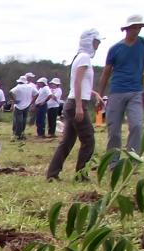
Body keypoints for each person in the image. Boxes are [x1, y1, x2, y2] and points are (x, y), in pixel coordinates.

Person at [47, 29, 104, 181]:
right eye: (97, 41)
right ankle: (81, 175)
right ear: (90, 41)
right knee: (88, 140)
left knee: (67, 142)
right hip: (75, 104)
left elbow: (80, 83)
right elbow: (77, 82)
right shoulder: (84, 57)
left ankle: (52, 174)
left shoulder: (80, 57)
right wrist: (79, 106)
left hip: (72, 102)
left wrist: (94, 93)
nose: (98, 44)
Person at [97, 14, 144, 162]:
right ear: (127, 29)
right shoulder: (115, 48)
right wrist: (99, 94)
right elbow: (106, 73)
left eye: (139, 27)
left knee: (136, 126)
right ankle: (112, 163)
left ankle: (133, 161)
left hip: (136, 91)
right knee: (114, 130)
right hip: (116, 91)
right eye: (135, 27)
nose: (137, 30)